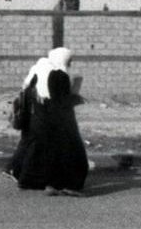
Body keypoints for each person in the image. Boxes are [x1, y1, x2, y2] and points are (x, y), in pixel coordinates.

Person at [8, 47, 88, 194]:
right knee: (73, 154)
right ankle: (68, 186)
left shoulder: (41, 72)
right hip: (59, 120)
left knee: (42, 152)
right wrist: (76, 98)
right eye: (69, 60)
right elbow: (60, 101)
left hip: (40, 119)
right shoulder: (58, 76)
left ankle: (38, 182)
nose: (70, 63)